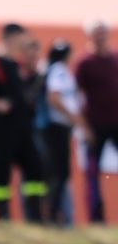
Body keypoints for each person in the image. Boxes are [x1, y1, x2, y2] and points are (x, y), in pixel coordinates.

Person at [0, 25, 48, 222]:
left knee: (35, 166)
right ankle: (2, 218)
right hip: (1, 132)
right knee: (0, 176)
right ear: (12, 38)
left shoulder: (16, 64)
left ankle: (35, 217)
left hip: (23, 131)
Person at [76, 21, 118, 223]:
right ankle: (96, 218)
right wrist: (84, 127)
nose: (100, 37)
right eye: (97, 33)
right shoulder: (84, 62)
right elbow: (78, 96)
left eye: (103, 33)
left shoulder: (115, 58)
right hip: (96, 125)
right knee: (93, 172)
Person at [42, 39, 85, 227]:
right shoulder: (58, 70)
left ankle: (55, 214)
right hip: (57, 127)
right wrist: (72, 116)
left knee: (60, 172)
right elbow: (54, 97)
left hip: (59, 127)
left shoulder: (55, 69)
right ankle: (53, 215)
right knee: (59, 172)